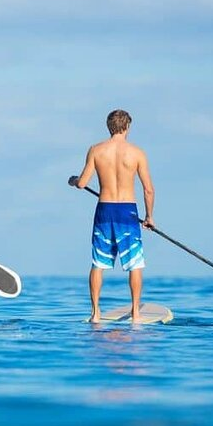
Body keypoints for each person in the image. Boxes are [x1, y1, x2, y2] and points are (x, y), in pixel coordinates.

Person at [70, 109, 155, 323]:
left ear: (109, 127)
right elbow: (148, 190)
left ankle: (96, 313)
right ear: (127, 127)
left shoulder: (96, 150)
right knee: (134, 264)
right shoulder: (137, 153)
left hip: (105, 209)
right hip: (127, 211)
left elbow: (82, 183)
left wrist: (74, 181)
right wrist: (149, 217)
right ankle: (136, 313)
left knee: (98, 263)